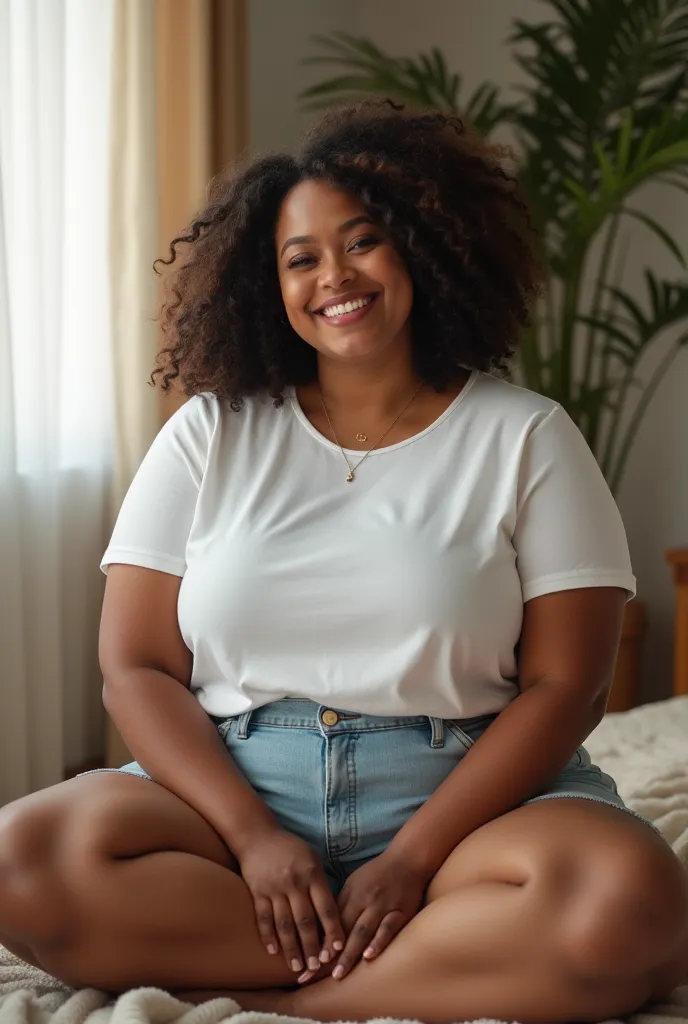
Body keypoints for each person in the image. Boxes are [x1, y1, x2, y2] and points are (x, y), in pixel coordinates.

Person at [0, 100, 686, 1024]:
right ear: (266, 284)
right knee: (20, 861)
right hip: (234, 787)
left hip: (468, 795)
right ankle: (425, 962)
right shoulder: (209, 432)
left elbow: (567, 687)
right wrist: (252, 838)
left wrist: (411, 861)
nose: (336, 277)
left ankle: (280, 991)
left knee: (633, 901)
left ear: (423, 248)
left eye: (362, 242)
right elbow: (136, 667)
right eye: (301, 258)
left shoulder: (528, 437)